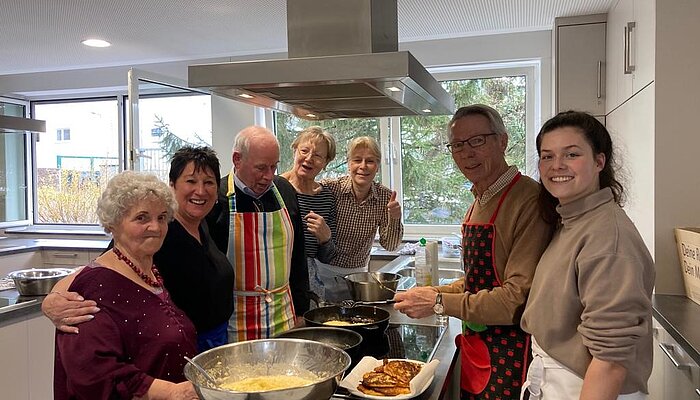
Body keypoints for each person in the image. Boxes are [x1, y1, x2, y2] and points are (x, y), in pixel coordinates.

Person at [393, 104, 552, 400]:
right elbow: (480, 280)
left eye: (477, 141)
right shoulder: (480, 197)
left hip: (511, 351)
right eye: (457, 145)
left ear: (502, 141)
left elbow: (516, 300)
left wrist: (439, 302)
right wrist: (427, 294)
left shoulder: (528, 200)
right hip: (480, 345)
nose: (466, 153)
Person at [43, 147, 235, 353]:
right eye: (191, 181)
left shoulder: (205, 224)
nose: (201, 190)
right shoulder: (157, 233)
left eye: (209, 182)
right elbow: (100, 269)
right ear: (172, 185)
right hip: (178, 348)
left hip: (216, 342)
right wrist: (51, 300)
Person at [520, 111, 654, 400]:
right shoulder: (574, 221)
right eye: (547, 156)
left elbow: (610, 361)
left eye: (571, 154)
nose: (557, 166)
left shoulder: (608, 237)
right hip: (559, 381)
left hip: (587, 386)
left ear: (599, 161)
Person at [54, 171, 198, 399]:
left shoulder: (149, 271)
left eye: (161, 217)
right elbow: (93, 373)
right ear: (113, 223)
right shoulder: (93, 288)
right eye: (141, 218)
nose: (156, 227)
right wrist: (171, 391)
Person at [206, 126, 309, 342]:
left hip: (284, 316)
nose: (268, 176)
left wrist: (301, 311)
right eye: (261, 168)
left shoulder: (285, 191)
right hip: (236, 321)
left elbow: (298, 256)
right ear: (237, 159)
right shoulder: (217, 199)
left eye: (274, 167)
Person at [319, 136, 403, 302]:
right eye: (357, 160)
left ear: (377, 166)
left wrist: (395, 219)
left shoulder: (385, 197)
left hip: (359, 277)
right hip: (323, 272)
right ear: (348, 163)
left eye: (370, 161)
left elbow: (391, 246)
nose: (363, 166)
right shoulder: (329, 188)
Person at [280, 126, 339, 305]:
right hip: (280, 282)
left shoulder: (326, 197)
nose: (308, 159)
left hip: (311, 286)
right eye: (304, 151)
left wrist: (325, 239)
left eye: (318, 156)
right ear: (294, 151)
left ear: (325, 163)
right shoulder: (277, 188)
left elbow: (327, 257)